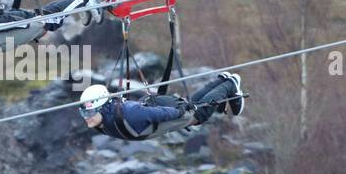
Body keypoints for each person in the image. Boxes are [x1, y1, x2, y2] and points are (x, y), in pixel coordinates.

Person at [78, 72, 244, 141]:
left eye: (90, 112)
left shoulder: (128, 113)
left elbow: (155, 113)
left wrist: (178, 112)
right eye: (84, 113)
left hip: (162, 111)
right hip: (154, 111)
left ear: (102, 107)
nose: (87, 117)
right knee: (191, 104)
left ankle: (229, 84)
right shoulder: (103, 119)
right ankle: (220, 81)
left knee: (197, 115)